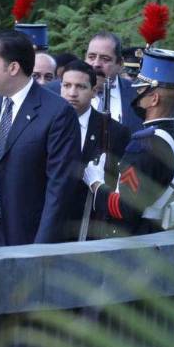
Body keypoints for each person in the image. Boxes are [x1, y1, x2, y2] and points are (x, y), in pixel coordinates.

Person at [0, 30, 81, 247]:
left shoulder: (57, 113)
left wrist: (40, 249)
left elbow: (59, 189)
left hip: (27, 237)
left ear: (13, 68)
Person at [83, 48, 174, 235]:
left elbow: (124, 209)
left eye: (142, 89)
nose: (136, 94)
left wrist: (96, 183)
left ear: (154, 99)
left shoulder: (142, 146)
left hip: (137, 240)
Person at [60, 60, 130, 240]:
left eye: (81, 87)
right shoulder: (46, 123)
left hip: (89, 226)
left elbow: (119, 183)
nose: (72, 93)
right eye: (66, 85)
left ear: (94, 92)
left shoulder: (114, 132)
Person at [48, 32, 143, 132]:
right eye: (91, 57)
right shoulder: (52, 92)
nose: (96, 64)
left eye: (105, 59)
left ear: (120, 64)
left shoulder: (137, 95)